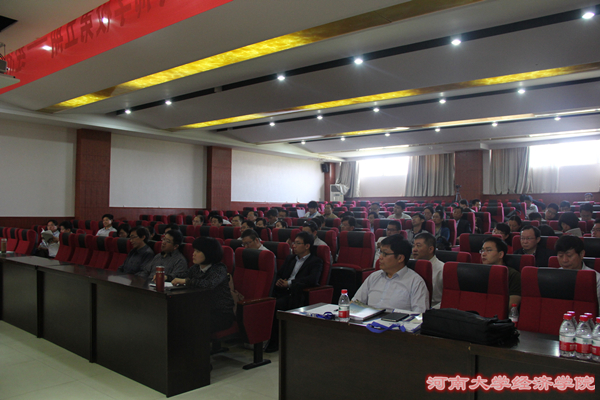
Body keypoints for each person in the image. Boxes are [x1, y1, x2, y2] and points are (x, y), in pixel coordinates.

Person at [171, 237, 235, 333]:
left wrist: (186, 281)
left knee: (188, 322)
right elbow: (182, 275)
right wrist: (167, 277)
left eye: (198, 251)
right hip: (201, 309)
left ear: (208, 253)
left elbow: (209, 284)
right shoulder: (196, 268)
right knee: (176, 317)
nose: (193, 254)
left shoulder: (219, 269)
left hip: (220, 314)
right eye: (194, 250)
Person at [353, 234, 428, 313]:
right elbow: (355, 303)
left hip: (396, 320)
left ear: (400, 258)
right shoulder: (374, 276)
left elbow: (419, 315)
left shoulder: (415, 282)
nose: (380, 257)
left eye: (385, 254)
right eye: (380, 252)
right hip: (368, 319)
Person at [555, 235, 600, 310]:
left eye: (569, 255)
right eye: (560, 256)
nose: (564, 260)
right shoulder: (554, 276)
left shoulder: (596, 279)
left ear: (582, 254)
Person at [480, 236, 521, 309]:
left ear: (500, 254)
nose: (483, 254)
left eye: (488, 250)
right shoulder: (478, 272)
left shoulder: (512, 275)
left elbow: (512, 305)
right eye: (482, 250)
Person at [412, 232, 444, 308]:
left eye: (418, 246)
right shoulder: (411, 266)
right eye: (413, 246)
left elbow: (447, 299)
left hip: (433, 308)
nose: (414, 249)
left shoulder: (442, 269)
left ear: (430, 249)